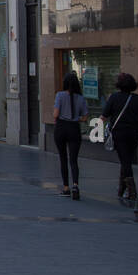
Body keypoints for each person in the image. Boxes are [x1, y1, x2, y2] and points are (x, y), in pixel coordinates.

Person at [102, 73, 138, 206]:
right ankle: (121, 189)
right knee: (126, 159)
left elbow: (104, 115)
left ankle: (132, 191)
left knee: (125, 160)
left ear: (119, 85)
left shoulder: (114, 97)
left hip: (119, 134)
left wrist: (96, 127)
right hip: (134, 133)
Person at [53, 71, 87, 200]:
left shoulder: (60, 95)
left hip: (61, 127)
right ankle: (75, 185)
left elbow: (55, 114)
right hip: (74, 128)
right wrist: (76, 118)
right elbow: (84, 118)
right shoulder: (81, 98)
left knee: (63, 158)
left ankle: (66, 187)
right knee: (73, 159)